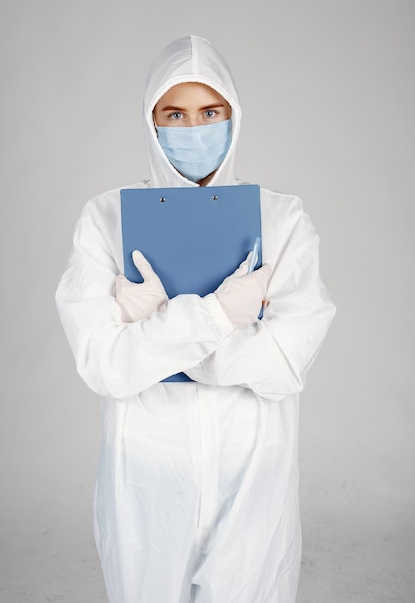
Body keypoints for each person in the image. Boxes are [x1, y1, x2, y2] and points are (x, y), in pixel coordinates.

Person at [56, 35, 336, 603]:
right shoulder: (106, 218)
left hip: (253, 465)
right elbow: (104, 366)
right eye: (174, 114)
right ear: (151, 122)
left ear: (234, 115)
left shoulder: (281, 220)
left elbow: (283, 366)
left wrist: (163, 325)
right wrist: (220, 319)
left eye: (210, 112)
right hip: (147, 470)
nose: (194, 129)